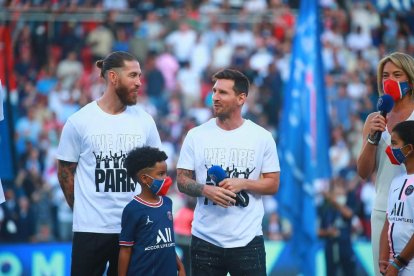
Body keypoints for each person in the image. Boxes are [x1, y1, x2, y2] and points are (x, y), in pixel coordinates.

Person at [56, 51, 162, 276]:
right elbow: (65, 172)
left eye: (140, 76)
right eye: (133, 75)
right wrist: (83, 209)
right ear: (113, 77)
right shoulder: (79, 121)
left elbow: (157, 171)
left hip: (134, 228)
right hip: (90, 229)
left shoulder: (145, 121)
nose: (139, 82)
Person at [176, 68, 280, 275]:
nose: (214, 97)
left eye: (222, 93)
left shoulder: (261, 137)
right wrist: (206, 190)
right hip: (205, 240)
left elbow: (273, 184)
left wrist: (243, 183)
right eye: (214, 91)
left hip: (248, 240)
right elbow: (181, 180)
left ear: (241, 98)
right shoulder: (196, 135)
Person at [357, 52, 414, 276]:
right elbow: (363, 172)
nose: (390, 80)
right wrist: (373, 137)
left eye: (397, 74)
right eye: (385, 75)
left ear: (410, 79)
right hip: (383, 210)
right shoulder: (374, 118)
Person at [119, 146, 185, 276]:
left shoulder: (167, 203)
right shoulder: (132, 209)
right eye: (161, 174)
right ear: (144, 179)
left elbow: (168, 243)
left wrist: (180, 266)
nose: (166, 178)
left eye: (166, 173)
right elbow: (125, 250)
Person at [379, 120, 414, 275]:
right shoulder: (396, 181)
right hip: (394, 265)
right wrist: (383, 259)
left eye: (394, 143)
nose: (390, 149)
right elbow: (388, 222)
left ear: (408, 149)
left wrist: (398, 263)